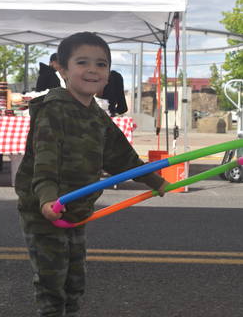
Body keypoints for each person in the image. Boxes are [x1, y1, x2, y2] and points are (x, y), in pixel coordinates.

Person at [15, 32, 168, 317]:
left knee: (75, 277)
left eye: (101, 64)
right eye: (82, 62)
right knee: (52, 278)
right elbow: (44, 163)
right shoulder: (54, 110)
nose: (92, 70)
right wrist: (47, 199)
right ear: (61, 68)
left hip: (77, 207)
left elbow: (122, 157)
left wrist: (154, 179)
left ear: (109, 74)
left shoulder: (97, 115)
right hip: (44, 208)